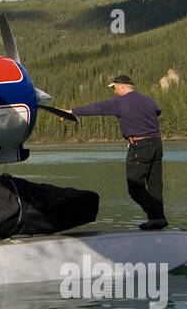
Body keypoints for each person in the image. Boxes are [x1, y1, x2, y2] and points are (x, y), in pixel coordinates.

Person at [68, 75, 168, 230]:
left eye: (114, 88)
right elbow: (157, 111)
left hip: (139, 146)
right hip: (156, 144)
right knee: (155, 184)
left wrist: (73, 111)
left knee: (135, 187)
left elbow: (96, 108)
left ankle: (156, 216)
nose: (114, 91)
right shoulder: (148, 99)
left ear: (122, 86)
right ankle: (158, 219)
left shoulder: (119, 102)